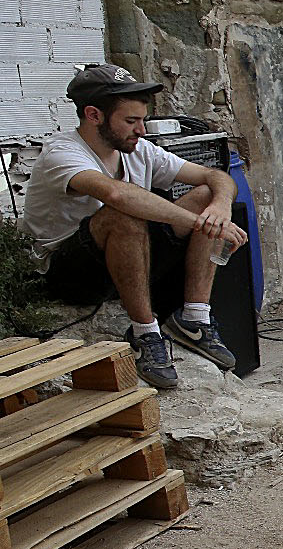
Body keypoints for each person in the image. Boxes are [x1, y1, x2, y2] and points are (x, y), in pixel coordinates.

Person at [20, 63, 247, 390]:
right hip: (67, 273)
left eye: (142, 120)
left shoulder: (138, 147)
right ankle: (144, 334)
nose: (141, 130)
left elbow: (216, 177)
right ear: (94, 115)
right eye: (130, 121)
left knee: (206, 196)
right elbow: (116, 194)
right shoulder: (62, 152)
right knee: (122, 213)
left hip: (126, 258)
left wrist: (220, 208)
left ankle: (194, 318)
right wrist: (204, 224)